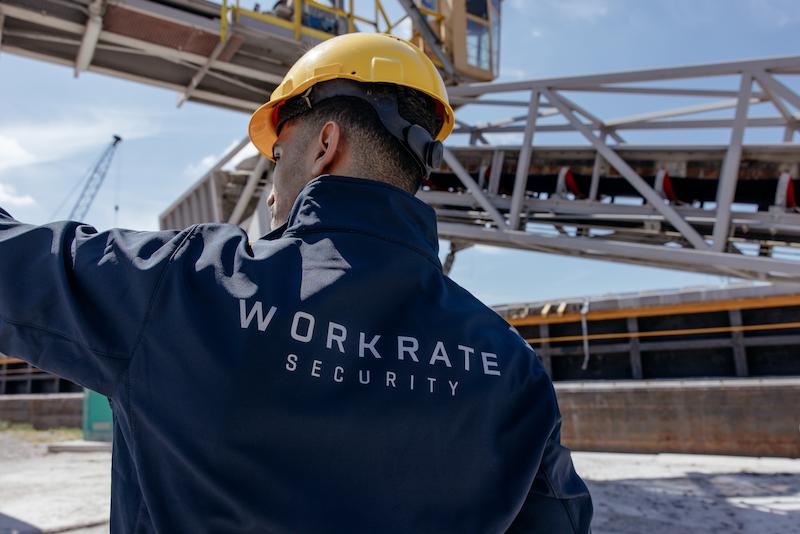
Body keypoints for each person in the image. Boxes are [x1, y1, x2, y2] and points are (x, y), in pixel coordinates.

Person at [0, 33, 592, 532]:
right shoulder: (511, 367)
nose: (272, 184)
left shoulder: (184, 287)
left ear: (325, 146)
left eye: (278, 152)